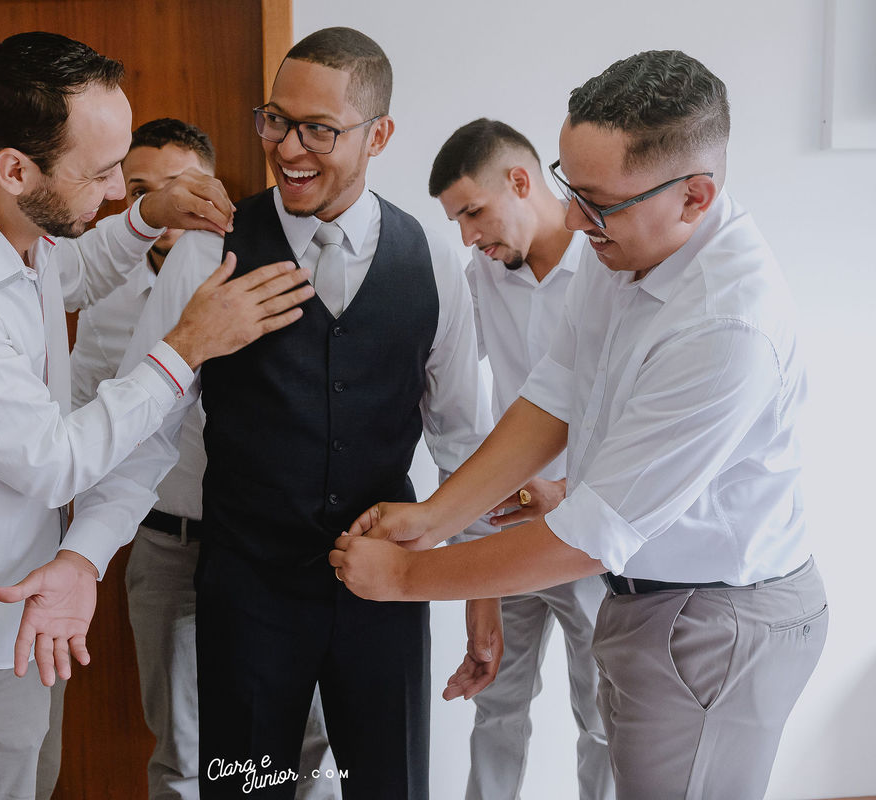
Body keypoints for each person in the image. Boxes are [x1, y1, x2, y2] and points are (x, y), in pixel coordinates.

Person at [331, 50, 828, 799]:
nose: (570, 218)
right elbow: (554, 395)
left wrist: (405, 577)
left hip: (715, 616)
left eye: (595, 201)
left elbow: (591, 532)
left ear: (694, 196)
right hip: (642, 590)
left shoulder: (727, 326)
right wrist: (435, 518)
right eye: (571, 188)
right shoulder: (619, 242)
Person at [27, 26, 488, 799]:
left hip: (387, 590)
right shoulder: (208, 252)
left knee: (392, 786)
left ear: (379, 136)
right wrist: (83, 558)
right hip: (249, 598)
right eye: (275, 120)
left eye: (319, 129)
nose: (288, 147)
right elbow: (147, 434)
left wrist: (481, 591)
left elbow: (464, 441)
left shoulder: (435, 260)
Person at [0, 33, 315, 800]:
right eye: (101, 174)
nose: (115, 191)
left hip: (25, 595)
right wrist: (187, 346)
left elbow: (65, 273)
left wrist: (148, 216)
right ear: (16, 169)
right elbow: (54, 462)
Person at [70, 117, 334, 800]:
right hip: (167, 544)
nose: (169, 205)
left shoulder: (271, 270)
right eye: (142, 191)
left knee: (310, 739)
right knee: (182, 749)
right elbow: (85, 432)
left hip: (271, 545)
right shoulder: (102, 303)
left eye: (184, 184)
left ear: (217, 187)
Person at [428, 118, 612, 800]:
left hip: (589, 533)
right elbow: (445, 382)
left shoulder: (609, 267)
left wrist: (569, 493)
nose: (468, 236)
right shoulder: (484, 272)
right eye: (457, 220)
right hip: (507, 526)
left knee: (602, 718)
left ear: (520, 181)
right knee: (496, 706)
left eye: (474, 213)